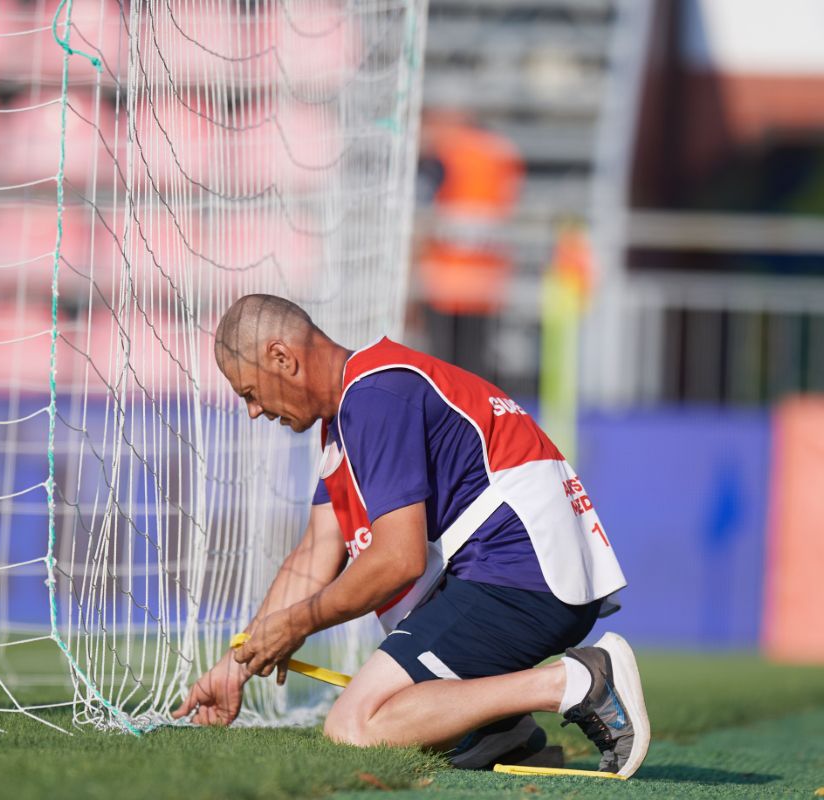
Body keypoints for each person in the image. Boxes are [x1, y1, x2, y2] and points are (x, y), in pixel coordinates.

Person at [173, 294, 650, 778]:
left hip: (520, 573)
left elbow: (399, 560)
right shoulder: (355, 410)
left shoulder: (375, 396)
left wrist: (297, 624)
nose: (253, 411)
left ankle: (578, 681)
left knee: (355, 724)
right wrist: (237, 665)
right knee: (393, 706)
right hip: (517, 569)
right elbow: (315, 553)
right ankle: (496, 731)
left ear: (282, 357)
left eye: (250, 392)